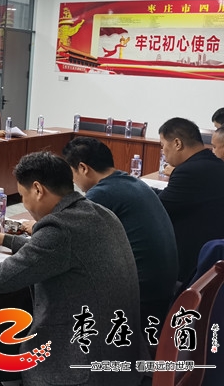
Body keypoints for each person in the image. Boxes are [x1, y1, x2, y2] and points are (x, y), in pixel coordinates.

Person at [0, 152, 145, 386]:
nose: (24, 203)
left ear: (38, 190)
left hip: (82, 367)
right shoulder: (99, 212)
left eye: (23, 196)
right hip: (117, 352)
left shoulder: (59, 229)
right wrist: (6, 240)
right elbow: (59, 253)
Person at [62, 137, 178, 329]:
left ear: (83, 168)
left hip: (139, 299)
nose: (74, 180)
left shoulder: (102, 193)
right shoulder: (132, 182)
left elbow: (67, 238)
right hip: (161, 291)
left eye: (72, 173)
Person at [157, 117, 224, 284]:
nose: (163, 151)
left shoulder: (188, 171)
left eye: (163, 145)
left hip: (190, 265)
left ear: (177, 144)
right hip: (212, 257)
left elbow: (158, 210)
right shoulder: (215, 163)